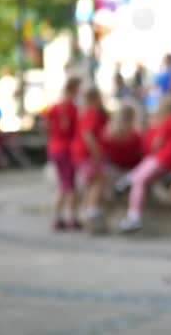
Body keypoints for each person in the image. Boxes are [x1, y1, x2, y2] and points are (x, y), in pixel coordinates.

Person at [119, 93, 171, 232]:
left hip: (164, 157)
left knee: (139, 180)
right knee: (143, 172)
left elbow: (157, 143)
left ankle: (134, 215)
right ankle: (126, 181)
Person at [45, 78, 82, 231]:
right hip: (66, 149)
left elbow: (49, 128)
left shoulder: (54, 108)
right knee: (69, 185)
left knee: (63, 184)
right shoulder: (72, 109)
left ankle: (58, 216)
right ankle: (70, 217)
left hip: (54, 147)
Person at [71, 88, 109, 234]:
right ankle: (92, 209)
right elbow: (88, 134)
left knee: (91, 182)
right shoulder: (91, 113)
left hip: (82, 153)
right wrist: (96, 152)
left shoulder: (85, 112)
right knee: (98, 180)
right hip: (87, 154)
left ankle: (88, 210)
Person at [102, 106, 143, 173]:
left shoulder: (107, 131)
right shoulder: (135, 135)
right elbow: (140, 152)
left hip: (113, 167)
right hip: (130, 168)